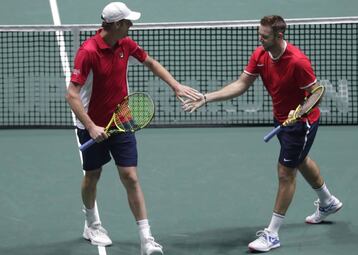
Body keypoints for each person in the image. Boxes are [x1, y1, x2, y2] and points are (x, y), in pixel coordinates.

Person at [182, 15, 343, 253]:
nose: (260, 38)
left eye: (264, 36)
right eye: (259, 33)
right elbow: (241, 84)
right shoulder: (260, 55)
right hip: (281, 119)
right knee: (299, 160)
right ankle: (328, 202)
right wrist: (207, 98)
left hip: (301, 124)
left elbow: (317, 92)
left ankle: (272, 234)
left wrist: (301, 112)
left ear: (279, 35)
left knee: (285, 172)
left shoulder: (298, 62)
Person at [65, 2, 202, 254]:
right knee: (92, 175)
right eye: (128, 22)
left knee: (130, 176)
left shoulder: (125, 44)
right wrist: (91, 126)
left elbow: (149, 62)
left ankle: (146, 238)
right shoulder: (88, 52)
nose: (131, 25)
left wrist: (175, 85)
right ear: (116, 25)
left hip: (121, 119)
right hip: (92, 124)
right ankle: (91, 224)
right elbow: (72, 94)